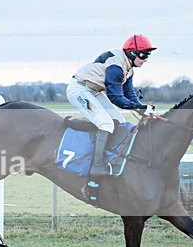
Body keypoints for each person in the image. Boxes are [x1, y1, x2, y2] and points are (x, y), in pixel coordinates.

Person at [66, 34, 157, 176]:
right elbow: (115, 98)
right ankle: (97, 166)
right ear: (132, 53)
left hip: (94, 91)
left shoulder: (128, 66)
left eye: (148, 56)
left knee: (120, 122)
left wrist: (141, 109)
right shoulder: (117, 67)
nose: (145, 60)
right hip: (80, 90)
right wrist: (139, 108)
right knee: (106, 124)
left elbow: (129, 93)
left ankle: (113, 157)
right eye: (144, 56)